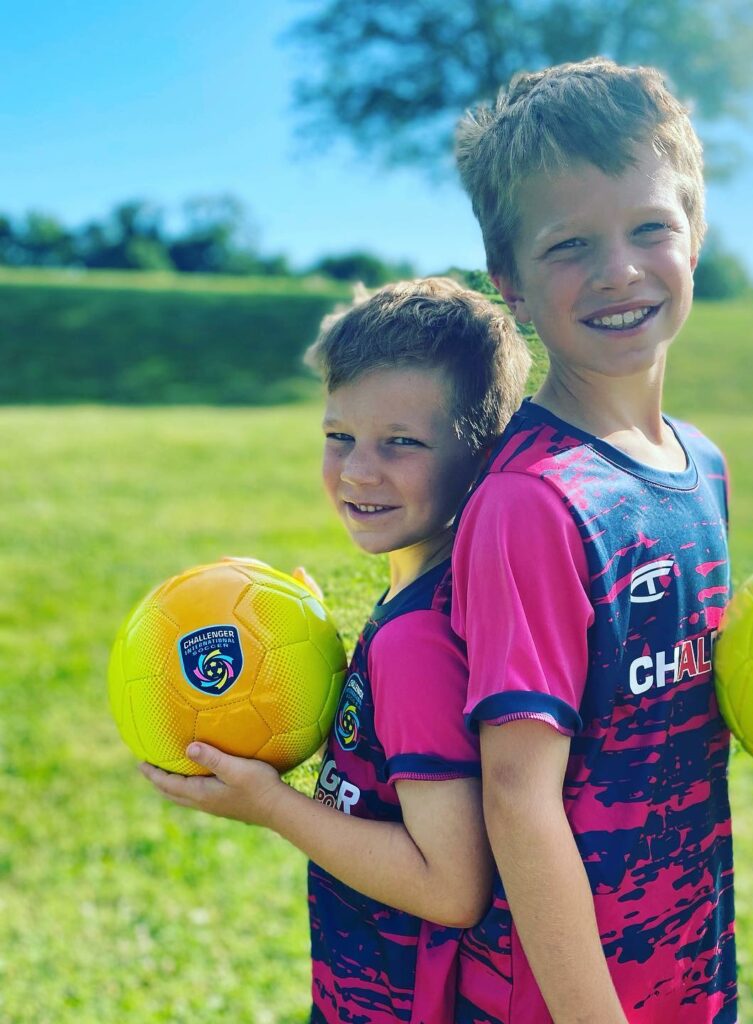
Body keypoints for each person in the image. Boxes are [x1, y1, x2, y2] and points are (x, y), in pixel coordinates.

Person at [140, 277, 531, 1024]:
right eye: (339, 436)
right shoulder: (423, 601)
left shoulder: (416, 642)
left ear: (480, 454)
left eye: (401, 443)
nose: (357, 470)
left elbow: (451, 887)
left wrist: (270, 806)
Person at [450, 58, 737, 1023]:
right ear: (511, 283)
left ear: (694, 236)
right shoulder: (531, 502)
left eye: (650, 227)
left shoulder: (702, 464)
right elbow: (517, 798)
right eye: (569, 244)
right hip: (566, 996)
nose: (619, 270)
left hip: (690, 963)